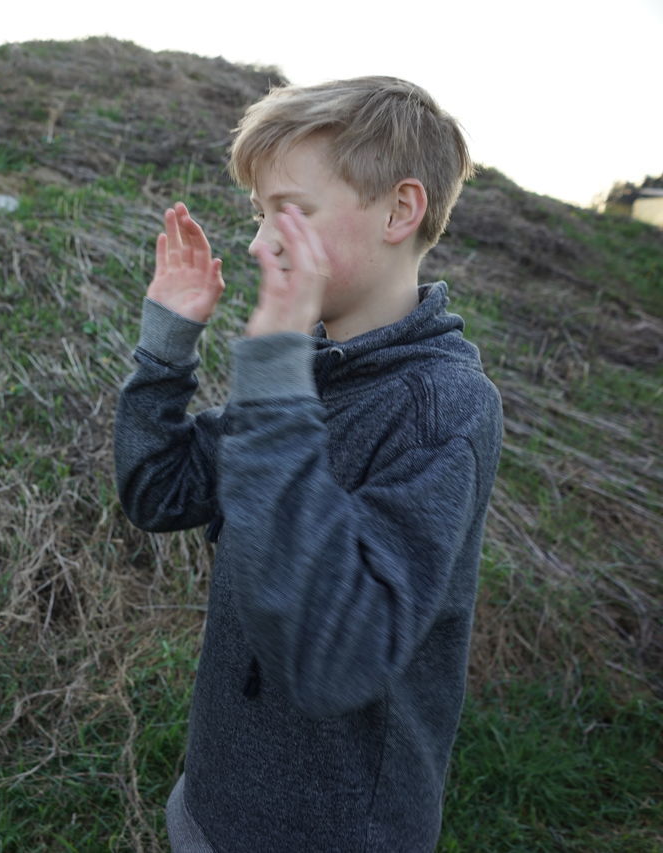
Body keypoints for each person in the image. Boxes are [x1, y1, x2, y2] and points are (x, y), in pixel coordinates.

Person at [114, 77, 503, 851]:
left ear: (400, 210)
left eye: (290, 211)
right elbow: (157, 489)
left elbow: (331, 658)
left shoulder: (442, 408)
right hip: (215, 808)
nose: (259, 244)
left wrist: (274, 378)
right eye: (260, 215)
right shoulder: (307, 379)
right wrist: (166, 345)